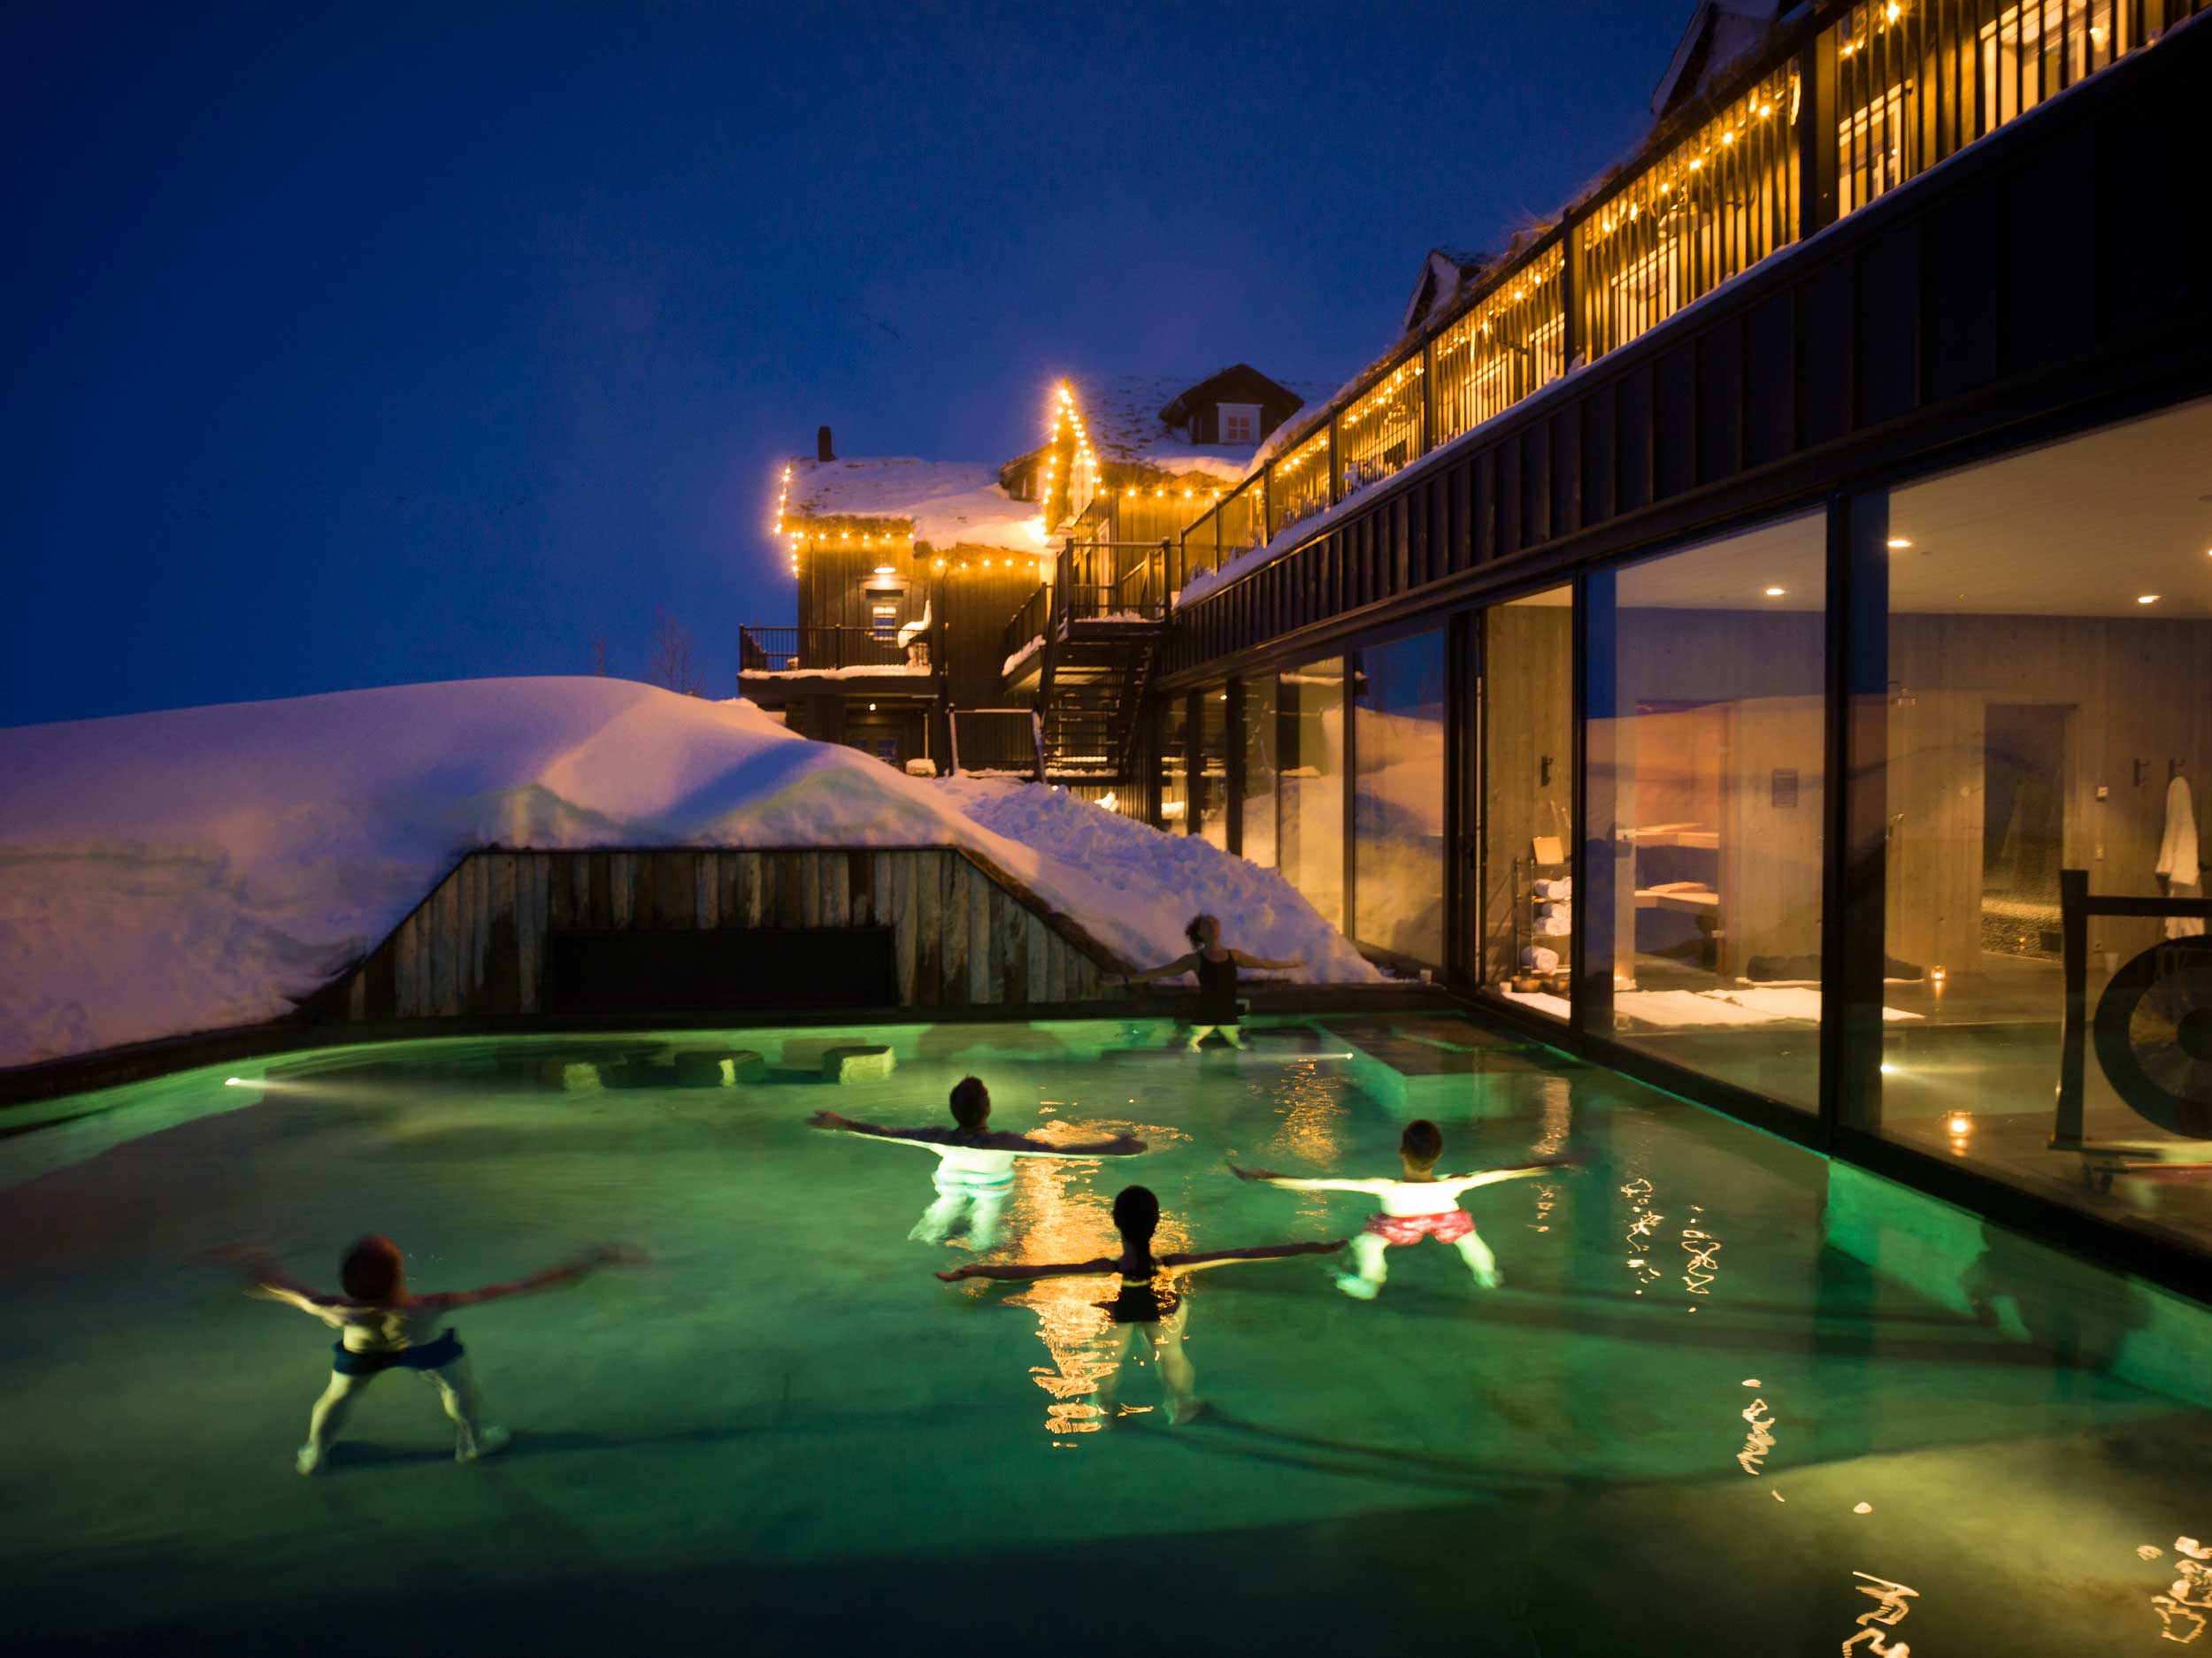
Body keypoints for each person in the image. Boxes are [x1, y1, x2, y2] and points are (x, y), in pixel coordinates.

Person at [229, 1235, 645, 1474]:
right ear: (399, 1275)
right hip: (423, 1349)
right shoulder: (428, 1306)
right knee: (458, 1387)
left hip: (362, 1354)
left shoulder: (333, 1307)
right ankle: (473, 1443)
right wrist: (589, 1261)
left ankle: (315, 1454)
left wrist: (252, 1262)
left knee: (336, 1397)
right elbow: (524, 1287)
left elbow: (280, 1286)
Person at [936, 1184, 1342, 1425]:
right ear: (1157, 1222)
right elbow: (1249, 1253)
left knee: (1108, 1358)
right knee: (1171, 1353)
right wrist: (1314, 1246)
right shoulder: (1173, 1264)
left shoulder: (1105, 1268)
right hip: (1164, 1304)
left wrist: (976, 1269)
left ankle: (1104, 1408)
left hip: (1120, 1304)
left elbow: (1037, 1271)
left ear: (1115, 1221)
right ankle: (1181, 1406)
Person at [1231, 1120, 1567, 1300]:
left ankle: (1369, 1281)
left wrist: (1267, 1176)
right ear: (1438, 1155)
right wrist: (1555, 1161)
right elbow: (1509, 1171)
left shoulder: (1385, 1186)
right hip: (1447, 1219)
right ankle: (1486, 1274)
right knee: (1470, 1240)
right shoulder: (1456, 1182)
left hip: (1399, 1227)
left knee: (1368, 1244)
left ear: (1402, 1153)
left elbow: (1317, 1183)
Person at [809, 1077, 1145, 1250]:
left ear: (954, 1110)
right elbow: (1062, 1152)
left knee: (941, 1212)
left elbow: (886, 1133)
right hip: (990, 1186)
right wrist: (1114, 1147)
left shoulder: (937, 1136)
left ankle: (931, 1234)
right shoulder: (1005, 1142)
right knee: (985, 1226)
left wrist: (840, 1122)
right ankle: (980, 1241)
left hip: (950, 1180)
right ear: (988, 1109)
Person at [1110, 914, 1303, 1050]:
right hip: (1205, 1013)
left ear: (1219, 929)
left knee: (1240, 1046)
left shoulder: (1234, 955)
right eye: (1206, 923)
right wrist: (1124, 980)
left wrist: (1291, 964)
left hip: (1228, 1014)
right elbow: (1159, 972)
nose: (1212, 924)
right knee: (1193, 1044)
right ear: (1200, 933)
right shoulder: (1194, 960)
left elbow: (1264, 963)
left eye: (1214, 921)